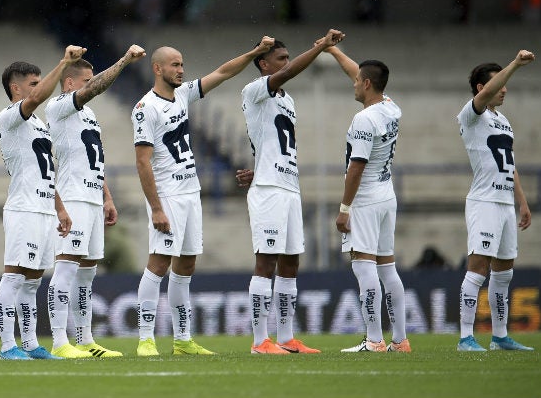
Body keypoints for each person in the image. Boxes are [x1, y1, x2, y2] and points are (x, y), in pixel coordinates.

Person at [133, 38, 275, 357]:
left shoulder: (183, 95)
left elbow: (223, 72)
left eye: (182, 64)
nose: (181, 70)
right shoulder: (146, 108)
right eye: (175, 64)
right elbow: (142, 161)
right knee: (158, 264)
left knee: (186, 266)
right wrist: (156, 208)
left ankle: (183, 341)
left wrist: (253, 53)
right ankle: (145, 339)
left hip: (190, 193)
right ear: (157, 69)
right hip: (167, 195)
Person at [236, 30, 344, 354]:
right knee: (265, 262)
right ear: (263, 63)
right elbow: (291, 72)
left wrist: (261, 165)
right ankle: (259, 342)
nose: (285, 64)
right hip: (268, 190)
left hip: (288, 186)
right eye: (280, 59)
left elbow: (271, 142)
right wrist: (320, 47)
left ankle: (286, 338)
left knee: (291, 263)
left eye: (287, 58)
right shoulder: (254, 89)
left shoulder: (289, 100)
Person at [45, 44, 146, 358]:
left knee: (87, 273)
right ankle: (60, 342)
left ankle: (86, 340)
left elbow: (95, 160)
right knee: (66, 269)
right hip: (73, 197)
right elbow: (99, 86)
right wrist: (125, 60)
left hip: (92, 197)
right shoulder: (59, 105)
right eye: (85, 81)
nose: (91, 85)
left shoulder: (89, 115)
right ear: (70, 83)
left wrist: (107, 197)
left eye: (91, 80)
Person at [0, 47, 85, 360]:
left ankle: (30, 344)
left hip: (44, 207)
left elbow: (44, 169)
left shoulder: (38, 125)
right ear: (15, 88)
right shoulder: (9, 118)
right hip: (23, 207)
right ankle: (7, 346)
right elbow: (34, 101)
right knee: (14, 276)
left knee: (32, 282)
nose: (40, 87)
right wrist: (64, 64)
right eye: (34, 83)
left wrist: (59, 207)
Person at [325, 47, 409, 353]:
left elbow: (356, 168)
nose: (353, 83)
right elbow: (358, 71)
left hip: (366, 199)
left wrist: (344, 209)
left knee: (363, 266)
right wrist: (334, 50)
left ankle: (374, 340)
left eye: (357, 80)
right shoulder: (391, 107)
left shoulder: (363, 119)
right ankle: (400, 341)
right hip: (387, 196)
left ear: (367, 85)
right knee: (388, 267)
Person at [456, 50, 536, 352]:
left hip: (504, 203)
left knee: (504, 272)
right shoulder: (471, 114)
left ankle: (500, 336)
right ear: (481, 88)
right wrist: (515, 63)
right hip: (484, 202)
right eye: (498, 83)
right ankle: (466, 337)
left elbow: (509, 164)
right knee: (477, 268)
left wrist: (522, 201)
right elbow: (490, 90)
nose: (505, 89)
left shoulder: (504, 121)